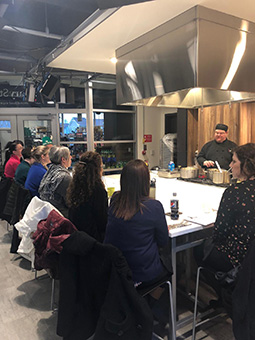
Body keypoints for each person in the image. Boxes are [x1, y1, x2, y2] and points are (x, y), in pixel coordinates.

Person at [194, 143, 255, 302]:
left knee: (198, 251)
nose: (230, 165)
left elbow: (220, 233)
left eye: (234, 162)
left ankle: (226, 295)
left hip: (237, 257)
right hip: (250, 255)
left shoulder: (234, 193)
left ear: (246, 166)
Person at [104, 159, 169, 286]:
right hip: (141, 273)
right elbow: (163, 241)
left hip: (115, 269)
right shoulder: (154, 207)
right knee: (170, 261)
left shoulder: (116, 199)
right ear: (146, 182)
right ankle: (152, 300)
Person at [67, 151, 108, 242]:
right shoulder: (98, 190)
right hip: (93, 240)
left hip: (76, 236)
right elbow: (103, 222)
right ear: (97, 169)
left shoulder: (75, 186)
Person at [39, 146, 72, 217]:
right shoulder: (64, 177)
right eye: (69, 155)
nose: (71, 157)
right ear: (63, 159)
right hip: (61, 216)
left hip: (48, 213)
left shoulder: (49, 172)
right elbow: (70, 202)